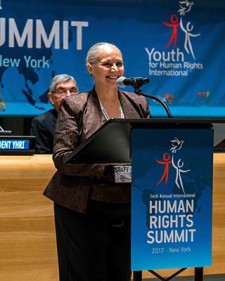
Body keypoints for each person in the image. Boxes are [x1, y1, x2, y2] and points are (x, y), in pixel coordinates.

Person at [43, 42, 150, 281]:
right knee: (85, 273)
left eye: (119, 63)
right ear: (90, 69)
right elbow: (62, 158)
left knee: (120, 273)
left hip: (126, 203)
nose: (115, 69)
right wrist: (107, 169)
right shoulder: (75, 105)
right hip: (82, 205)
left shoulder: (139, 104)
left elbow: (147, 150)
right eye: (107, 64)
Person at [30, 74, 79, 153]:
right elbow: (42, 158)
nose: (69, 95)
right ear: (51, 98)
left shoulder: (87, 119)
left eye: (73, 91)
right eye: (62, 91)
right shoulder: (41, 123)